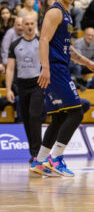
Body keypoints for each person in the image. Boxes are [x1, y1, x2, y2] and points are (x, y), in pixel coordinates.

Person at [31, 0, 94, 177]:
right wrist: (45, 67)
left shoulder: (67, 14)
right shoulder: (55, 12)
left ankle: (40, 161)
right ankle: (56, 158)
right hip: (54, 69)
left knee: (60, 116)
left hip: (58, 66)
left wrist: (88, 62)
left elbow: (67, 47)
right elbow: (43, 40)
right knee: (76, 112)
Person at [6, 16, 43, 162]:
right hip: (22, 85)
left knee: (34, 115)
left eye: (31, 23)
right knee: (26, 119)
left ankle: (38, 154)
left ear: (35, 25)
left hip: (38, 84)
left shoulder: (41, 43)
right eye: (26, 24)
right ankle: (33, 153)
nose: (28, 26)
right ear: (22, 25)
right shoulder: (15, 44)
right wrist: (9, 89)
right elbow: (10, 69)